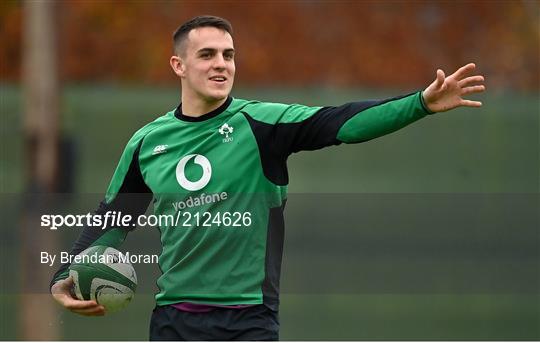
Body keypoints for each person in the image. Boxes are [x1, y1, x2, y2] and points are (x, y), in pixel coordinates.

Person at [50, 15, 485, 341]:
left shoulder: (262, 125)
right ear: (178, 65)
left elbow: (343, 123)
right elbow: (111, 222)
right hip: (173, 320)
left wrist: (419, 104)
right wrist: (63, 275)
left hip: (249, 319)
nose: (221, 64)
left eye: (228, 55)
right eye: (207, 55)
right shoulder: (148, 142)